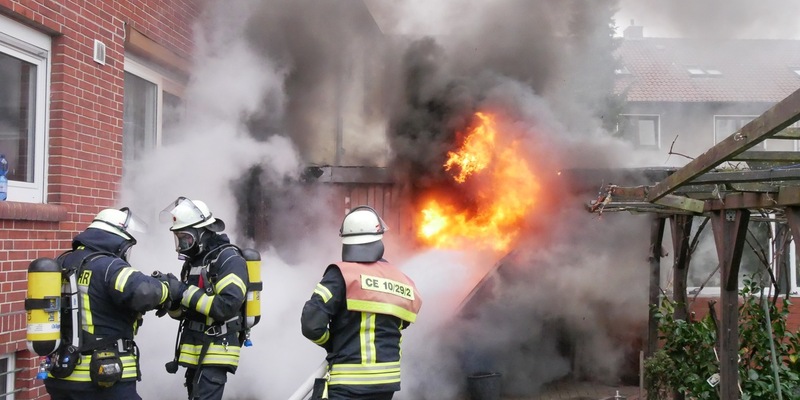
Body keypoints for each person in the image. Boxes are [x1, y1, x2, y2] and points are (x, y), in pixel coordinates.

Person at [44, 207, 184, 400]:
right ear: (117, 240)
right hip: (102, 379)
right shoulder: (108, 265)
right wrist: (169, 288)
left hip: (61, 375)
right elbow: (143, 291)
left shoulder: (63, 262)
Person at [301, 205, 423, 400]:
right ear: (378, 237)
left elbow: (311, 324)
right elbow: (403, 322)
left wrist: (333, 343)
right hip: (386, 384)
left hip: (348, 383)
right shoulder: (401, 279)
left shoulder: (341, 275)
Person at [159, 197, 248, 400]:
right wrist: (171, 301)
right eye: (178, 238)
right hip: (195, 348)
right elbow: (187, 311)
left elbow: (227, 306)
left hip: (217, 348)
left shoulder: (228, 259)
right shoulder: (193, 264)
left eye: (185, 238)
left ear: (202, 233)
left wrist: (182, 292)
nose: (181, 244)